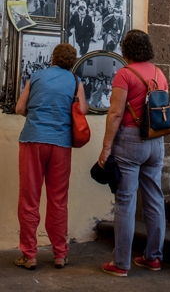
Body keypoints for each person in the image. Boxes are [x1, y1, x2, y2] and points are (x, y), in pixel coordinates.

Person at [99, 29, 169, 277]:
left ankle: (121, 263)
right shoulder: (160, 74)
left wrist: (106, 148)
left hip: (129, 140)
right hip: (156, 140)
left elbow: (116, 113)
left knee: (125, 202)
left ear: (126, 50)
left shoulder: (124, 74)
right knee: (154, 199)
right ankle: (153, 257)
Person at [14, 43, 88, 271]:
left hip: (33, 140)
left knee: (29, 199)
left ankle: (29, 255)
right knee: (58, 200)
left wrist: (37, 113)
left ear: (53, 59)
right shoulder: (75, 81)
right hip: (61, 144)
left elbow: (19, 108)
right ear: (72, 62)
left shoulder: (36, 76)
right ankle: (60, 254)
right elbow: (82, 111)